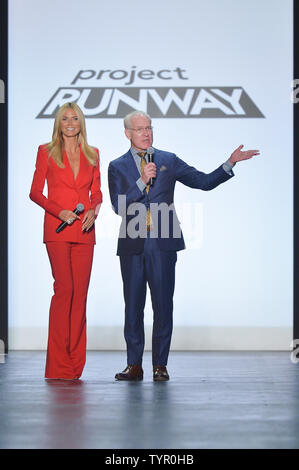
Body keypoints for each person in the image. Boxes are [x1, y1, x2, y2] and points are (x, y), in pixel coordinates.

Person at [108, 110, 259, 382]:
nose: (146, 132)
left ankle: (160, 365)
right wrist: (141, 181)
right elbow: (118, 206)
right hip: (132, 245)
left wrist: (229, 163)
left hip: (163, 243)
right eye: (140, 128)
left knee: (163, 305)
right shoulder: (117, 166)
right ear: (127, 133)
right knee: (133, 307)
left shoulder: (168, 160)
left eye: (149, 127)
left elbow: (203, 182)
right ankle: (134, 365)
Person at [30, 102, 102, 379]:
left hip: (85, 229)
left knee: (80, 295)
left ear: (81, 122)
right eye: (65, 119)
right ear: (58, 123)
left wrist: (94, 211)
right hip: (58, 229)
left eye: (75, 118)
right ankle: (58, 364)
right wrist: (58, 210)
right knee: (65, 290)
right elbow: (35, 193)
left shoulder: (93, 153)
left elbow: (96, 193)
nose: (70, 123)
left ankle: (74, 364)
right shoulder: (45, 152)